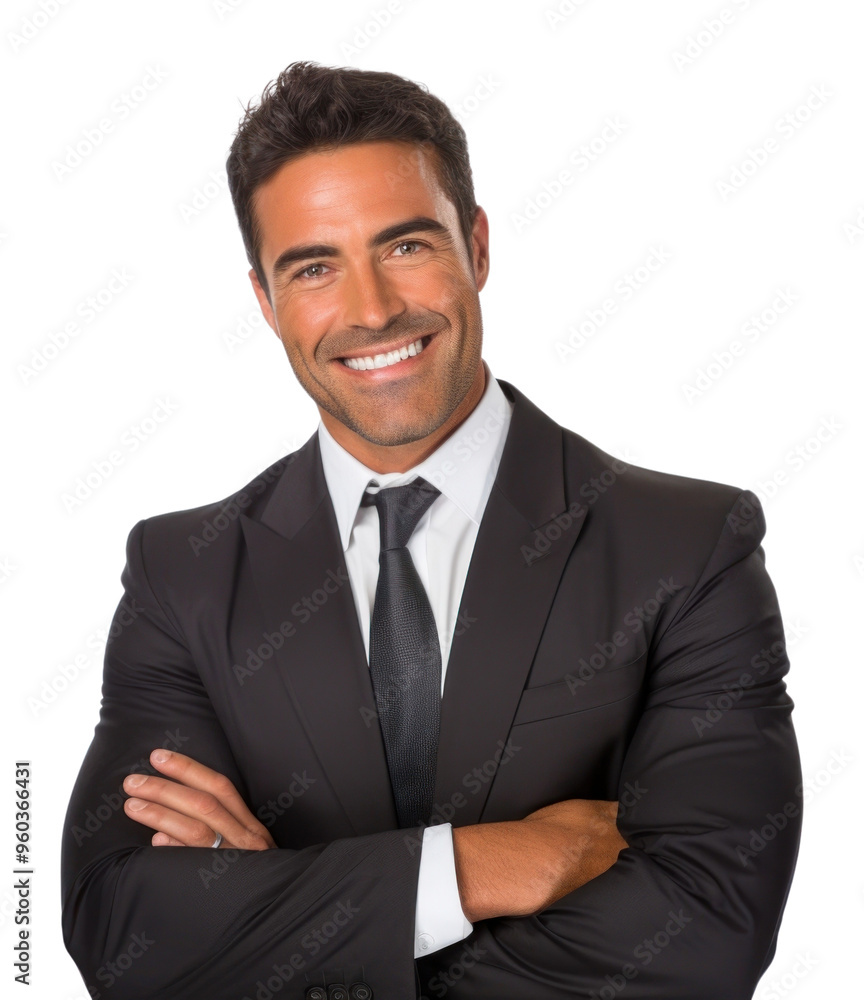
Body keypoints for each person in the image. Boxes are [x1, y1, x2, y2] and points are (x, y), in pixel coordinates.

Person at [61, 61, 801, 1000]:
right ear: (265, 301)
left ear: (476, 247)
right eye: (315, 267)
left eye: (406, 245)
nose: (372, 310)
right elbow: (119, 929)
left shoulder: (688, 548)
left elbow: (707, 932)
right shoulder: (184, 576)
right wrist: (471, 871)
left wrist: (272, 922)